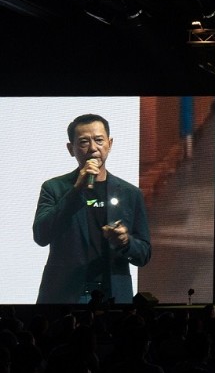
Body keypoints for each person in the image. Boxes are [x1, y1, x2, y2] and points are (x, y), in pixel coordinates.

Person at [32, 114, 151, 304]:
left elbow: (144, 254)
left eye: (99, 140)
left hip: (113, 296)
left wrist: (125, 241)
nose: (93, 148)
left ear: (110, 144)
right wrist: (76, 190)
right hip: (64, 296)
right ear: (71, 149)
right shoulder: (54, 188)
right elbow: (41, 235)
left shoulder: (130, 193)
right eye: (84, 142)